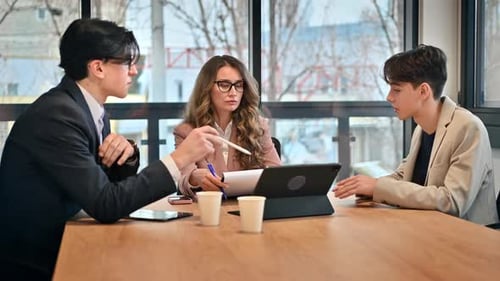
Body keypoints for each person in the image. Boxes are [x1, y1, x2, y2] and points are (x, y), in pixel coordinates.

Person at [0, 18, 220, 280]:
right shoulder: (57, 115)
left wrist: (127, 156)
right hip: (38, 262)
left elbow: (106, 187)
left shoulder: (90, 110)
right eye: (127, 62)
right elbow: (105, 204)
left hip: (70, 239)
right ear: (98, 68)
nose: (134, 71)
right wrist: (179, 159)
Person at [333, 44, 498, 225]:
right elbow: (403, 177)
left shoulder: (468, 127)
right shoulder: (421, 128)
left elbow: (451, 201)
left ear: (423, 91)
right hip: (429, 229)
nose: (389, 97)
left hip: (469, 238)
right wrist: (368, 186)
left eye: (396, 90)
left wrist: (378, 187)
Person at [174, 55, 281, 198]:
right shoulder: (187, 131)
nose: (233, 93)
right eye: (224, 85)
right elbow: (182, 180)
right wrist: (194, 177)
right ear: (206, 88)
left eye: (238, 85)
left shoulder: (258, 125)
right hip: (209, 210)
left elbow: (277, 174)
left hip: (250, 207)